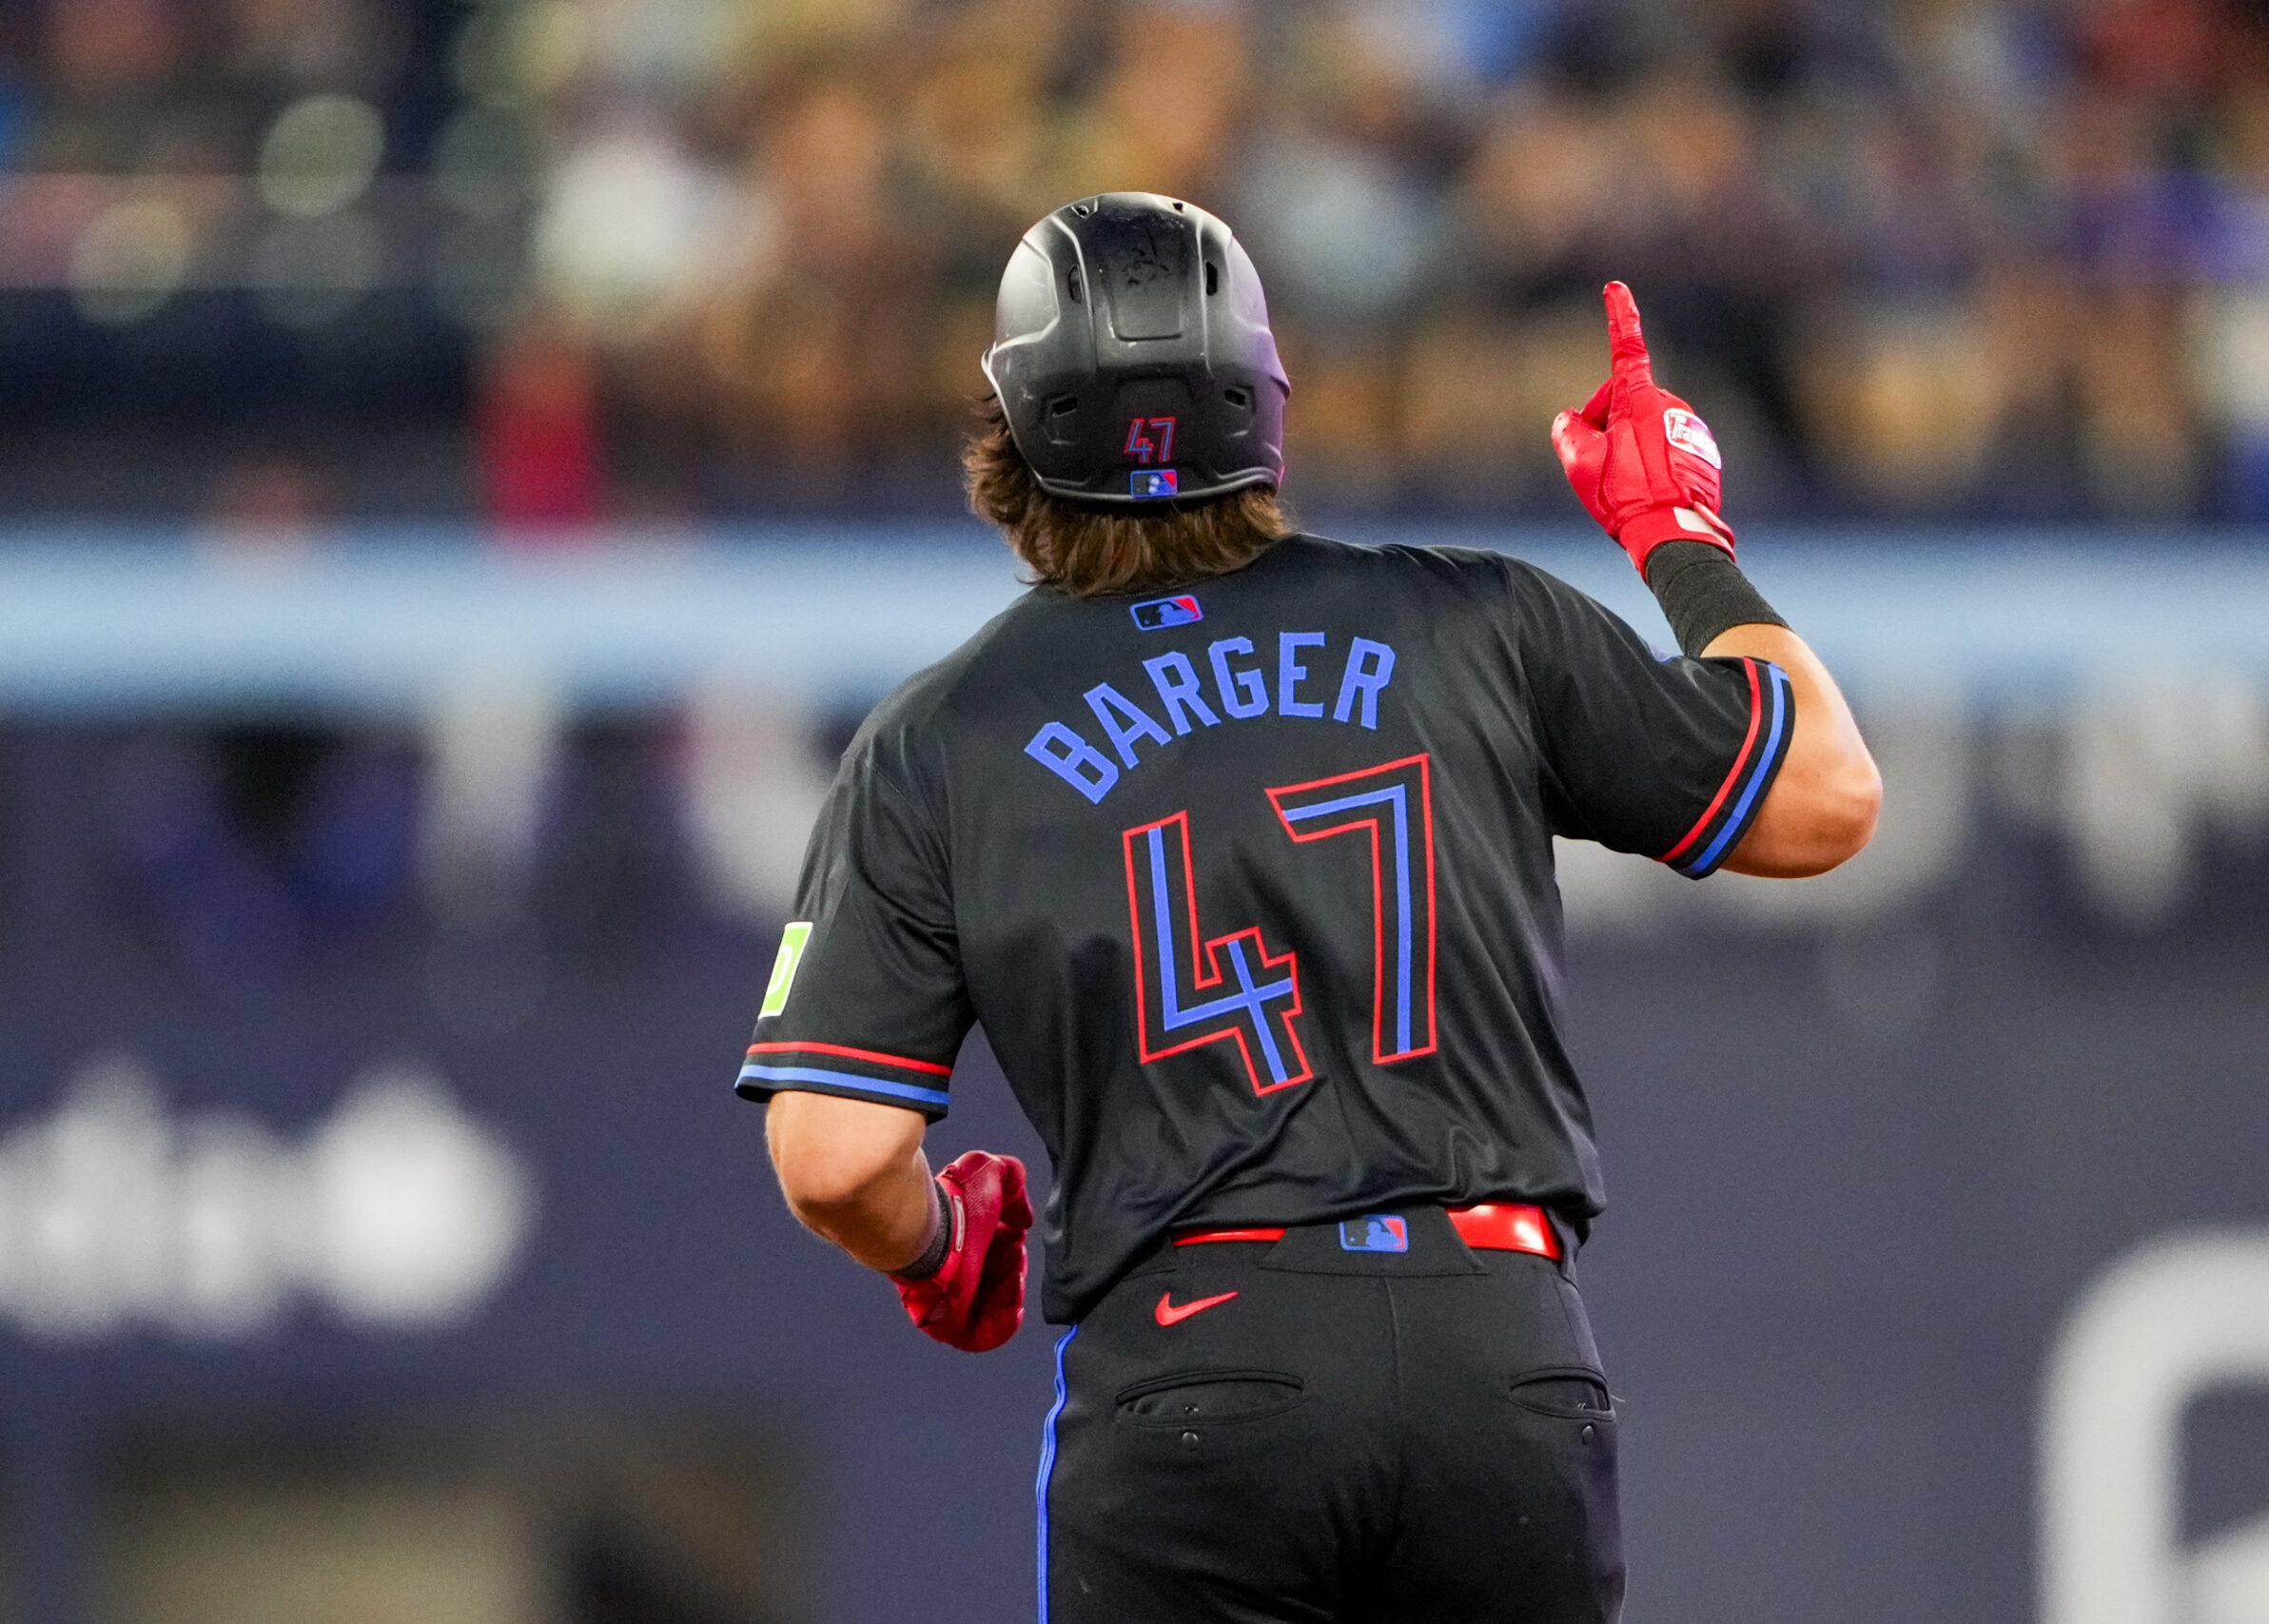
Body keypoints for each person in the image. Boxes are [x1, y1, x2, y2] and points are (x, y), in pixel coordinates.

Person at [737, 192, 1880, 1623]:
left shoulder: (939, 737)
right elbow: (1824, 797)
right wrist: (1678, 534)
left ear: (1013, 423)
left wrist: (944, 1248)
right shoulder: (1478, 621)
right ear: (1264, 402)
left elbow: (837, 1157)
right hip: (1499, 1347)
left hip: (1199, 1364)